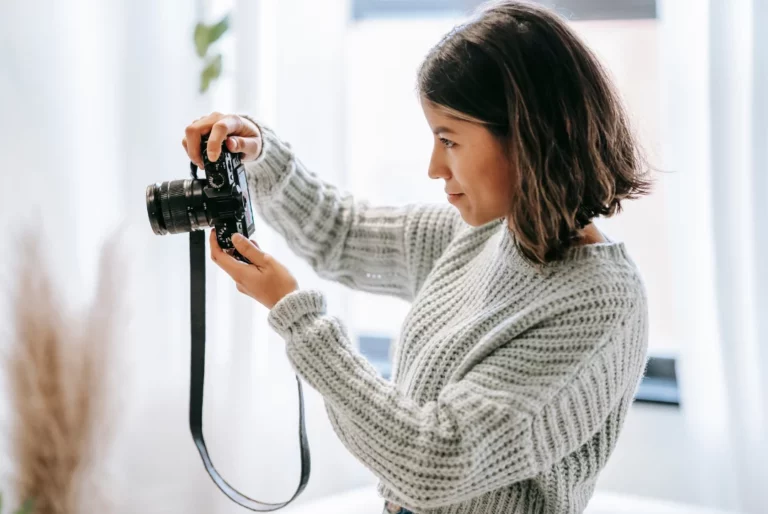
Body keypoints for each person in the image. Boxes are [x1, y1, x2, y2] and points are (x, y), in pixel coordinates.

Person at [181, 1, 653, 512]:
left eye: (449, 140)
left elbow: (432, 463)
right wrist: (261, 155)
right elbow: (343, 234)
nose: (434, 167)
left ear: (528, 136)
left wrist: (296, 318)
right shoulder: (489, 234)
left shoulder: (599, 304)